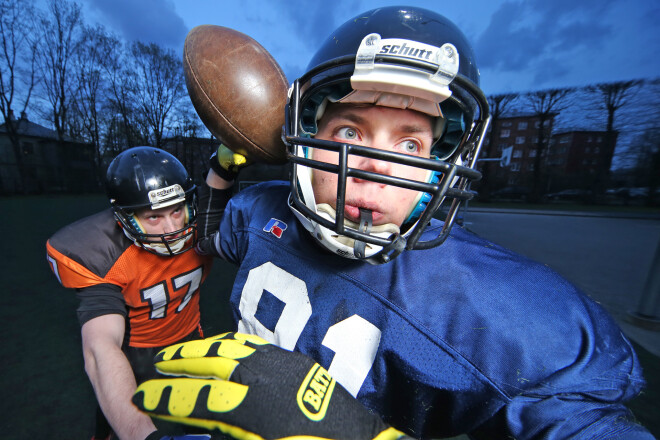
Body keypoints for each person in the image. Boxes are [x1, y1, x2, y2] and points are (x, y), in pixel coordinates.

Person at [134, 6, 653, 440]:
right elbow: (209, 231)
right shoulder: (263, 209)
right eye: (350, 132)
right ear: (305, 139)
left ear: (443, 166)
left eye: (409, 144)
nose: (379, 167)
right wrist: (223, 167)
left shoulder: (495, 307)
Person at [46, 146, 215, 440]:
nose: (173, 227)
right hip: (134, 352)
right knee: (114, 423)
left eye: (177, 209)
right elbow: (101, 347)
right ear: (125, 219)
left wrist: (222, 170)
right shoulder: (102, 253)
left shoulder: (205, 225)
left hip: (190, 339)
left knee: (205, 420)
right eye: (153, 217)